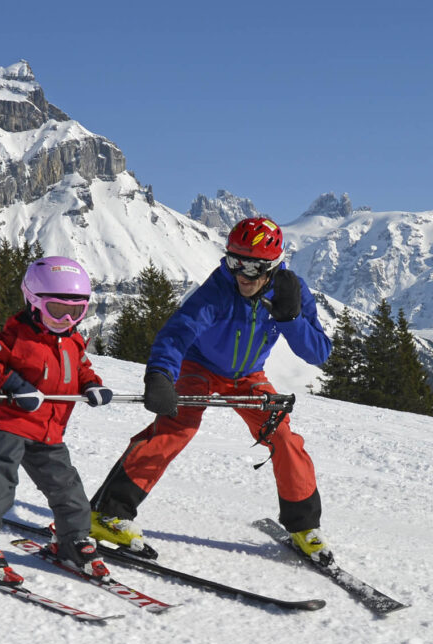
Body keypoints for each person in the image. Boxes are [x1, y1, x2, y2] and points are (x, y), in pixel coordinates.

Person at [89, 218, 335, 564]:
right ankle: (107, 513)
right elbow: (177, 334)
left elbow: (319, 353)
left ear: (273, 266)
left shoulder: (292, 292)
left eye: (252, 266)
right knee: (177, 428)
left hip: (248, 375)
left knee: (282, 436)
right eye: (234, 261)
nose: (242, 274)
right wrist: (160, 375)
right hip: (198, 367)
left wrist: (290, 320)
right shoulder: (218, 289)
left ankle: (304, 527)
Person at [0, 256, 115, 584]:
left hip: (49, 429)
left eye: (77, 311)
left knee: (66, 486)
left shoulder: (72, 341)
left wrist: (92, 386)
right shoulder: (14, 338)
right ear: (34, 302)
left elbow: (81, 368)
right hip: (7, 424)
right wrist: (12, 383)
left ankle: (73, 539)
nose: (66, 318)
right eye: (57, 310)